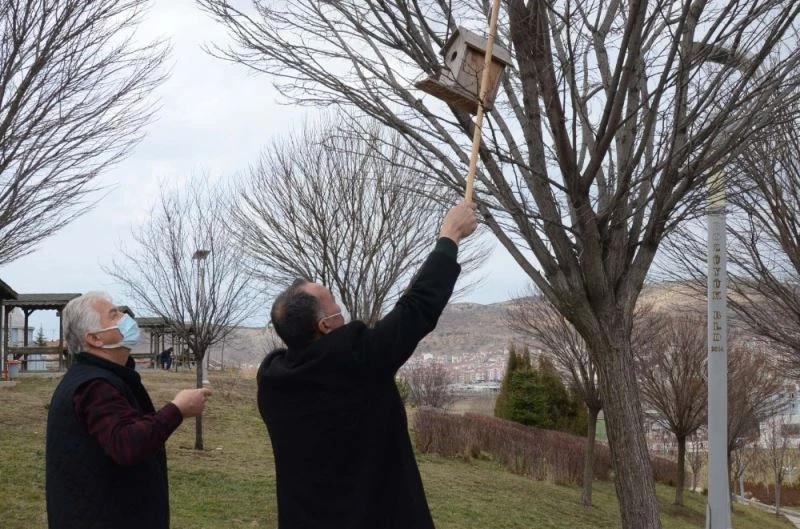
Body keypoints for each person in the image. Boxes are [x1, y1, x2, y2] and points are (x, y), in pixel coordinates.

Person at [258, 200, 478, 529]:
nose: (340, 304)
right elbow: (417, 307)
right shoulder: (358, 362)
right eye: (331, 298)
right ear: (325, 325)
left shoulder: (273, 384)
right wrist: (450, 236)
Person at [46, 292, 212, 529]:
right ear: (94, 338)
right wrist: (178, 410)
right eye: (113, 314)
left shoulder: (103, 378)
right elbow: (127, 444)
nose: (124, 316)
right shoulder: (95, 386)